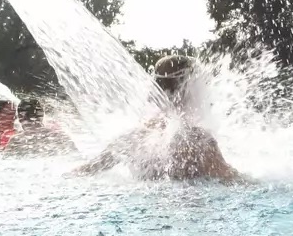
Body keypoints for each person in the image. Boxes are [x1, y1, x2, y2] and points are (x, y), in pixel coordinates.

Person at [71, 55, 243, 182]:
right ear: (189, 89)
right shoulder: (199, 141)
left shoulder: (134, 138)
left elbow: (85, 171)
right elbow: (231, 180)